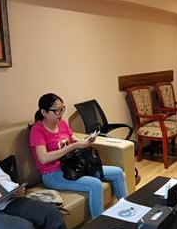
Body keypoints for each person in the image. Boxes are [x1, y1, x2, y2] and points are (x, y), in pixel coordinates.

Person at [30, 93, 128, 221]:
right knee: (95, 184)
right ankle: (99, 223)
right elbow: (43, 158)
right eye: (56, 110)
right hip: (53, 174)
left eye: (62, 109)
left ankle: (127, 209)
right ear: (44, 112)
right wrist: (72, 147)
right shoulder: (37, 130)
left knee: (117, 172)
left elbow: (75, 140)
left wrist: (87, 141)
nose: (60, 113)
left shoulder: (62, 124)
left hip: (74, 167)